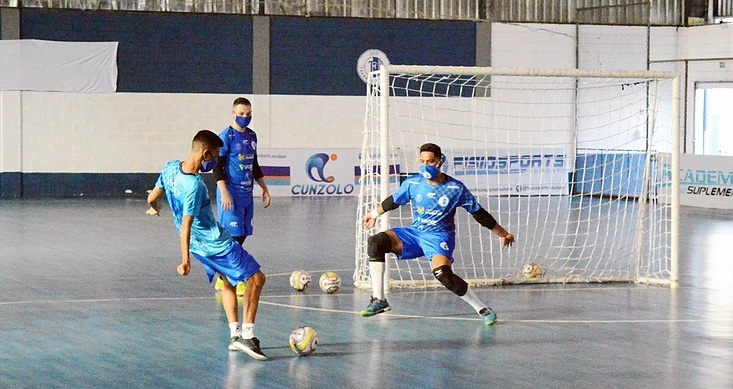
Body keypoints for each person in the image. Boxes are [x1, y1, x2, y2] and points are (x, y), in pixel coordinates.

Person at [146, 129, 268, 360]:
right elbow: (186, 223)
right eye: (215, 154)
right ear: (205, 154)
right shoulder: (195, 186)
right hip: (214, 244)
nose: (215, 160)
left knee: (227, 281)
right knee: (257, 278)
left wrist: (154, 207)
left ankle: (235, 336)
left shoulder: (170, 167)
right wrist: (185, 261)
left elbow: (152, 197)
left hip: (198, 246)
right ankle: (248, 337)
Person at [362, 143, 515, 326]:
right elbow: (393, 202)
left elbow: (479, 214)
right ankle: (379, 299)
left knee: (443, 274)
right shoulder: (413, 183)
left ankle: (482, 308)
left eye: (430, 161)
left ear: (440, 162)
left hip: (439, 237)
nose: (426, 165)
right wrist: (373, 214)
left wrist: (503, 234)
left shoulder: (455, 188)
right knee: (376, 242)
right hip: (415, 233)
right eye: (422, 161)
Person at [213, 97, 271, 297]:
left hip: (247, 194)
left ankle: (224, 276)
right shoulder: (226, 137)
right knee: (233, 237)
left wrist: (264, 187)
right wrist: (224, 192)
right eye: (241, 114)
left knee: (243, 234)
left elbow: (254, 164)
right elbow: (217, 168)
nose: (245, 117)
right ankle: (232, 279)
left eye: (248, 114)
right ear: (233, 113)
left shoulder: (252, 136)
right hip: (230, 193)